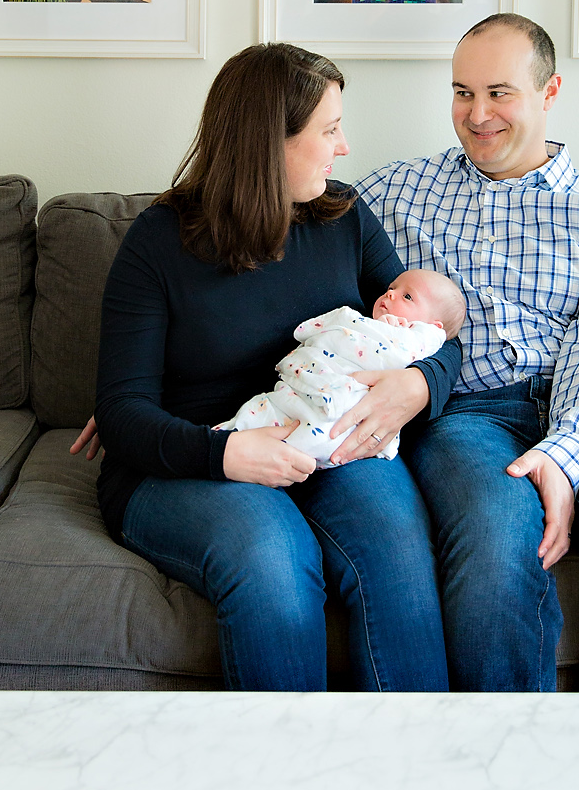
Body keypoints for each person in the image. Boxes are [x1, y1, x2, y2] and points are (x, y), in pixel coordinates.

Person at [355, 12, 579, 694]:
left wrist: (567, 451)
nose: (478, 114)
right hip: (466, 416)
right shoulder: (393, 191)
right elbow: (283, 252)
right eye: (463, 92)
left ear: (550, 92)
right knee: (496, 549)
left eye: (500, 93)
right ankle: (515, 776)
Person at [87, 42, 458, 693]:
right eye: (330, 129)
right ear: (271, 142)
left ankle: (415, 776)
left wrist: (418, 384)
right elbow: (122, 414)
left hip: (325, 441)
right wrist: (222, 455)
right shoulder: (158, 242)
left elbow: (428, 328)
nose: (344, 147)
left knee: (395, 553)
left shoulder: (343, 217)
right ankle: (285, 784)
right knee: (274, 562)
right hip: (194, 461)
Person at [219, 269, 466, 465]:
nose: (390, 294)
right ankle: (225, 440)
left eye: (407, 296)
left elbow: (407, 350)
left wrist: (398, 334)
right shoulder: (368, 322)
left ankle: (290, 452)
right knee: (259, 415)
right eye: (391, 288)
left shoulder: (418, 338)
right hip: (300, 389)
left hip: (341, 413)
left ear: (433, 327)